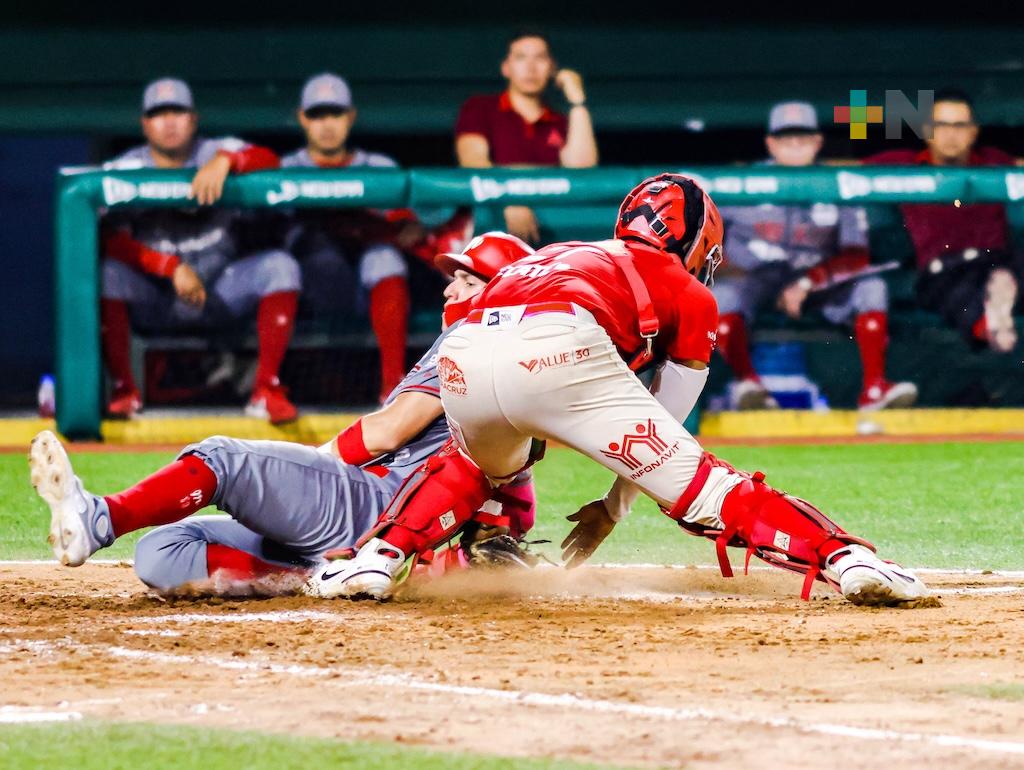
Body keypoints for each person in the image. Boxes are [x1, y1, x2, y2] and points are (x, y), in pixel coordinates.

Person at [306, 174, 928, 608]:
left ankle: (375, 560)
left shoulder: (558, 251)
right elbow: (667, 424)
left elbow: (469, 327)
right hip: (560, 346)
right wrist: (611, 509)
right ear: (695, 241)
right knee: (712, 489)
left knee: (469, 466)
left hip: (468, 348)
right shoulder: (688, 289)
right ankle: (849, 561)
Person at [30, 234, 536, 595]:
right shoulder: (516, 363)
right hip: (375, 515)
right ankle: (324, 576)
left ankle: (100, 519)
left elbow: (389, 430)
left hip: (373, 501)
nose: (449, 290)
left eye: (467, 281)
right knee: (163, 553)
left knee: (220, 457)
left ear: (502, 291)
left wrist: (310, 466)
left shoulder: (475, 341)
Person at [100, 78, 301, 424]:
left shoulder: (216, 150)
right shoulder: (125, 168)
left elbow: (269, 160)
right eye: (158, 113)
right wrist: (168, 266)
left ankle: (266, 390)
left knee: (280, 266)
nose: (169, 120)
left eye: (177, 111)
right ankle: (123, 391)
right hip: (159, 296)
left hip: (219, 292)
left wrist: (227, 161)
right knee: (108, 275)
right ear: (144, 124)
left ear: (193, 119)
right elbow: (106, 238)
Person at [282, 73, 474, 402]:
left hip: (375, 286)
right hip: (313, 289)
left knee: (383, 256)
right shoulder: (285, 168)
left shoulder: (379, 166)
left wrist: (405, 227)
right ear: (302, 118)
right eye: (317, 115)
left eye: (336, 113)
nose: (327, 124)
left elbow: (410, 226)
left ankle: (393, 384)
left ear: (350, 117)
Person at [713, 102, 917, 411]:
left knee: (872, 287)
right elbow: (705, 240)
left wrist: (808, 283)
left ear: (818, 142)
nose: (795, 146)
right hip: (753, 277)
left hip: (817, 280)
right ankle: (748, 384)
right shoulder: (740, 184)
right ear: (770, 144)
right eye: (786, 138)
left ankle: (875, 389)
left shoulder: (838, 184)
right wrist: (726, 269)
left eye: (803, 138)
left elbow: (856, 254)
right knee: (721, 297)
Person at [866, 89, 1022, 354]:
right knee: (956, 292)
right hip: (945, 271)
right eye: (941, 125)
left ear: (974, 132)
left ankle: (995, 312)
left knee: (1008, 271)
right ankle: (990, 323)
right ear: (927, 131)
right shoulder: (903, 165)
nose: (950, 134)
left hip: (999, 265)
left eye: (960, 126)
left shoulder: (995, 162)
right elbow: (839, 155)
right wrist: (880, 112)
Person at [454, 30, 598, 244]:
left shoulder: (560, 121)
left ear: (551, 68)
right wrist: (510, 197)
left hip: (552, 233)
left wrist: (577, 101)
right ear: (506, 67)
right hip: (493, 223)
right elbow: (473, 162)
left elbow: (582, 170)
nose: (531, 68)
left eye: (540, 58)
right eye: (521, 57)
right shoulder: (480, 107)